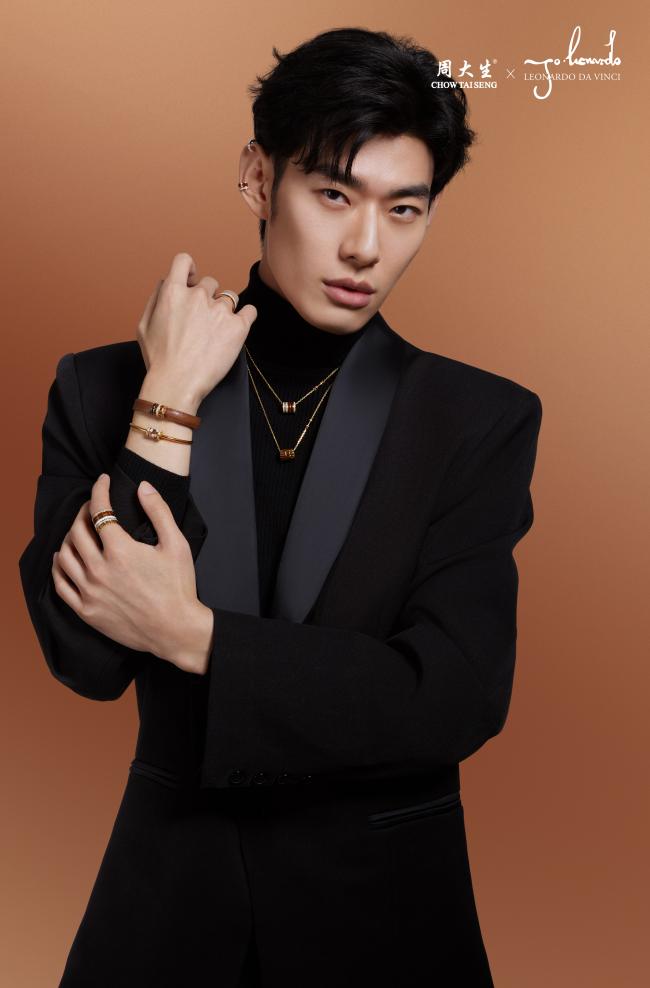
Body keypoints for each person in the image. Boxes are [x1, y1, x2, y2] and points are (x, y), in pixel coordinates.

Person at [18, 26, 542, 988]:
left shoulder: (475, 420)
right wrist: (168, 398)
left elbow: (454, 695)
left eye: (405, 209)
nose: (366, 247)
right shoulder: (102, 389)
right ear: (259, 178)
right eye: (334, 194)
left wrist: (196, 639)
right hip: (164, 923)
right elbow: (84, 658)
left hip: (387, 928)